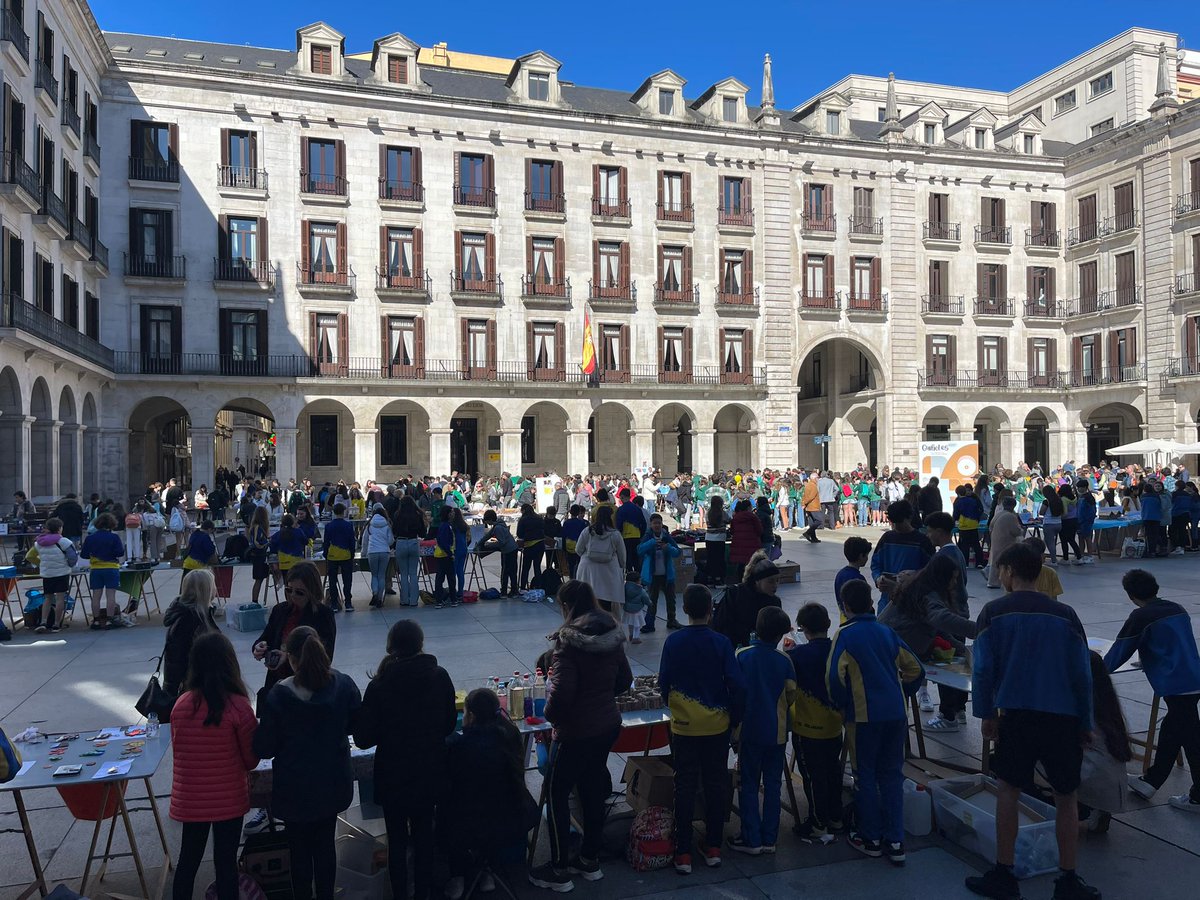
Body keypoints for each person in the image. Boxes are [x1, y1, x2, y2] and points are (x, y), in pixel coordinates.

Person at [967, 541, 1098, 900]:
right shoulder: (1066, 615)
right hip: (1062, 718)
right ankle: (1068, 879)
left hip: (1017, 717)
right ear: (1039, 572)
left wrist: (986, 714)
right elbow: (1082, 675)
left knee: (1008, 790)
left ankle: (1004, 874)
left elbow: (982, 671)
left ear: (1008, 573)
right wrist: (1086, 721)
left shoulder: (993, 613)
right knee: (1066, 796)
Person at [530, 580, 633, 892]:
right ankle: (589, 859)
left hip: (575, 730)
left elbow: (561, 697)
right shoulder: (612, 635)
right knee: (591, 790)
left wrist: (550, 715)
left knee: (556, 793)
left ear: (566, 606)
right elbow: (625, 679)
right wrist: (602, 697)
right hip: (606, 724)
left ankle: (559, 868)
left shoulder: (568, 644)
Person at [253, 625, 362, 900]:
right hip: (332, 782)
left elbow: (264, 748)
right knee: (325, 846)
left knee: (298, 852)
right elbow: (357, 726)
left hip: (295, 788)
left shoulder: (279, 694)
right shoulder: (343, 684)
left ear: (290, 658)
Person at [353, 620, 456, 900]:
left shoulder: (380, 685)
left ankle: (400, 893)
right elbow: (449, 724)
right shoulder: (439, 676)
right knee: (425, 836)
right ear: (420, 644)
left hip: (394, 774)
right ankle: (424, 892)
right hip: (430, 770)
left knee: (396, 840)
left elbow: (363, 739)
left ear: (391, 647)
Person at [827, 579, 924, 866]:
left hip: (863, 717)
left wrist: (843, 705)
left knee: (864, 775)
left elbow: (833, 679)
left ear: (845, 606)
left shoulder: (844, 636)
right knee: (892, 775)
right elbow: (915, 669)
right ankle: (895, 840)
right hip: (895, 714)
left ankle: (870, 837)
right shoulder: (887, 632)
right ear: (871, 602)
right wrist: (901, 693)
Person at [658, 584, 745, 874]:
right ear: (711, 610)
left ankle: (682, 851)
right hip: (716, 725)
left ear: (684, 609)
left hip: (684, 727)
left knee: (684, 784)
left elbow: (664, 682)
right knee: (715, 783)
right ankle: (713, 846)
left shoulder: (674, 642)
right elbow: (736, 684)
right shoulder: (721, 643)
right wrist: (734, 718)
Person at [169, 632, 258, 900]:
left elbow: (181, 752)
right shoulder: (239, 706)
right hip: (228, 799)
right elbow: (251, 759)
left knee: (188, 862)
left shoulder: (181, 705)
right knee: (225, 864)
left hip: (191, 799)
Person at [1106, 568, 1200, 813]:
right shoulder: (1176, 608)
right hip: (1193, 677)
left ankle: (1198, 796)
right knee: (1174, 731)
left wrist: (1096, 669)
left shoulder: (1141, 616)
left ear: (1131, 595)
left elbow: (1120, 651)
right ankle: (1151, 781)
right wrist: (1149, 656)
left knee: (1192, 740)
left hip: (1174, 683)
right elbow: (1171, 642)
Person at [440, 688, 539, 899]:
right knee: (490, 806)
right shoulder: (510, 740)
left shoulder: (458, 747)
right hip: (513, 819)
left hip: (470, 825)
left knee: (449, 810)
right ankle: (487, 870)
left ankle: (458, 874)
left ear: (471, 716)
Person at [879, 553, 975, 732]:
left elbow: (937, 628)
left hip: (887, 643)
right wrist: (979, 629)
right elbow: (941, 619)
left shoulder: (919, 586)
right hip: (891, 648)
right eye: (952, 579)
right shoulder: (928, 594)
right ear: (941, 577)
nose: (954, 584)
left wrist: (961, 648)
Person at [730, 606, 797, 855]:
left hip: (749, 731)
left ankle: (751, 837)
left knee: (748, 784)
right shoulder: (784, 660)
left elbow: (734, 691)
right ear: (780, 635)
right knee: (772, 784)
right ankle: (770, 837)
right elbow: (791, 693)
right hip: (776, 732)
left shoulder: (742, 655)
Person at [788, 602, 844, 839]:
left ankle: (818, 822)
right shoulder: (837, 650)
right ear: (828, 624)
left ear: (802, 629)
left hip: (807, 728)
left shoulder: (797, 655)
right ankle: (836, 816)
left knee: (812, 777)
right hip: (833, 727)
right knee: (833, 771)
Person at [252, 561, 337, 710]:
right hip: (276, 685)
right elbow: (267, 636)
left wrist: (289, 657)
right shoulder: (280, 610)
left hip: (306, 687)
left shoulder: (323, 615)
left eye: (299, 592)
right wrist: (260, 646)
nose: (292, 596)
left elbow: (326, 656)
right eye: (288, 590)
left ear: (312, 591)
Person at [162, 569, 219, 700]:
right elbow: (178, 659)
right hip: (192, 690)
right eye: (213, 585)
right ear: (206, 590)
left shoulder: (200, 614)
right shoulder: (189, 620)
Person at [869, 500, 934, 612]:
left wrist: (914, 576)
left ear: (909, 518)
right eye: (894, 522)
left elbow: (932, 570)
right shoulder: (887, 538)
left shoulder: (922, 541)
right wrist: (878, 578)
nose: (896, 526)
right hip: (887, 601)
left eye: (900, 522)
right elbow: (875, 564)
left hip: (913, 602)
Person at [713, 551, 783, 649]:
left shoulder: (774, 602)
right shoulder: (735, 594)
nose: (775, 585)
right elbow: (721, 624)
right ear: (757, 580)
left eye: (777, 580)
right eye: (770, 581)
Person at [25, 518, 77, 635]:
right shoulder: (64, 542)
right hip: (62, 573)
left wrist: (41, 564)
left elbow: (29, 556)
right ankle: (56, 624)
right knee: (60, 598)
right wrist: (69, 565)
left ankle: (43, 622)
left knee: (47, 598)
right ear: (59, 529)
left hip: (47, 574)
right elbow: (72, 558)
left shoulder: (39, 542)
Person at [574, 505, 626, 614]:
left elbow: (578, 549)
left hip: (588, 569)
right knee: (606, 602)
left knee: (589, 600)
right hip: (609, 571)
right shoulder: (615, 534)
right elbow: (622, 557)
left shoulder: (587, 531)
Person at [81, 513, 126, 630]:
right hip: (111, 568)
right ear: (112, 524)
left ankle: (96, 620)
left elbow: (84, 555)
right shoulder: (114, 537)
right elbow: (120, 552)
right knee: (110, 595)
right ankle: (110, 620)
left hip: (96, 569)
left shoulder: (90, 538)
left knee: (96, 595)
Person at [638, 513, 682, 632]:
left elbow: (677, 552)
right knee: (652, 600)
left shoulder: (667, 536)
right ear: (651, 524)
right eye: (655, 523)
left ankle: (672, 620)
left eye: (659, 523)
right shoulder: (647, 536)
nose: (657, 525)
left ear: (662, 524)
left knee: (671, 599)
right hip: (653, 575)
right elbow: (640, 550)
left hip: (667, 574)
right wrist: (652, 543)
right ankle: (650, 623)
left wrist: (668, 548)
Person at [391, 495, 427, 608]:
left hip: (401, 542)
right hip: (413, 542)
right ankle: (414, 601)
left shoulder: (397, 515)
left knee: (404, 574)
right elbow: (423, 533)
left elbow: (394, 531)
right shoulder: (417, 515)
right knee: (413, 573)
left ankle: (404, 599)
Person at [320, 503, 356, 612]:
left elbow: (326, 542)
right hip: (346, 555)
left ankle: (334, 604)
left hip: (332, 555)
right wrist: (352, 553)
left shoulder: (329, 526)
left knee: (332, 580)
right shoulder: (349, 525)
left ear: (334, 512)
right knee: (347, 580)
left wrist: (326, 553)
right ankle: (348, 603)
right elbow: (352, 541)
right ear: (344, 512)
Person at [479, 509, 519, 597]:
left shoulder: (497, 528)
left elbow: (502, 542)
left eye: (486, 520)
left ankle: (505, 591)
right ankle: (514, 590)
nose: (486, 522)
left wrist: (489, 545)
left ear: (490, 519)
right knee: (512, 571)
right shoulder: (499, 524)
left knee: (506, 571)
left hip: (509, 550)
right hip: (512, 548)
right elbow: (488, 535)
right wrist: (480, 542)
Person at [986, 496, 1023, 590]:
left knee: (995, 561)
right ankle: (1003, 580)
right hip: (1006, 541)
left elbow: (991, 526)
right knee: (1006, 562)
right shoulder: (1011, 516)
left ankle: (992, 581)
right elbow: (1016, 531)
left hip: (995, 539)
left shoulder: (999, 513)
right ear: (1013, 506)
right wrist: (1021, 530)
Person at [362, 503, 394, 608]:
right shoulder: (387, 524)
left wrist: (363, 552)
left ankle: (375, 593)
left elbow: (365, 540)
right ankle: (380, 598)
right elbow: (390, 541)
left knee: (374, 575)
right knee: (381, 575)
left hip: (372, 551)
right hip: (384, 551)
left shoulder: (369, 524)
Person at [835, 536, 871, 623]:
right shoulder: (858, 580)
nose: (867, 558)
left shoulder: (840, 574)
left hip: (844, 619)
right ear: (861, 556)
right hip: (857, 621)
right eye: (866, 555)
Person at [728, 499, 764, 584]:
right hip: (752, 544)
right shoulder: (753, 517)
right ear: (748, 507)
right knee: (752, 564)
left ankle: (740, 582)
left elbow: (732, 531)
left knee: (741, 565)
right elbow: (759, 530)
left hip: (738, 544)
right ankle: (751, 582)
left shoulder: (735, 518)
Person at [952, 484, 985, 568]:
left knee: (964, 546)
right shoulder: (973, 500)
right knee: (976, 544)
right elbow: (980, 509)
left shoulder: (958, 502)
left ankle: (965, 563)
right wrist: (976, 518)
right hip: (974, 525)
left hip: (963, 525)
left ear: (958, 493)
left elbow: (956, 514)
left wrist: (954, 521)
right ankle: (979, 563)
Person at [516, 503, 546, 591]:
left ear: (523, 510)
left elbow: (519, 534)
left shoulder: (523, 519)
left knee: (526, 568)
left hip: (529, 546)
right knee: (537, 567)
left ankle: (523, 587)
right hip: (540, 544)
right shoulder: (539, 518)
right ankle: (539, 587)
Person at [616, 495, 648, 575]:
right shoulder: (637, 509)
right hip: (636, 536)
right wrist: (641, 534)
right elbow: (643, 523)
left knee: (627, 558)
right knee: (636, 558)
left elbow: (619, 524)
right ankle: (638, 575)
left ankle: (630, 575)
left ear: (623, 498)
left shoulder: (621, 509)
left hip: (625, 536)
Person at [705, 494, 729, 581]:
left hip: (709, 538)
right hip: (720, 538)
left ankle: (710, 577)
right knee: (719, 559)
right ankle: (718, 578)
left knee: (710, 558)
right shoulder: (723, 513)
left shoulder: (708, 513)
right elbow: (729, 520)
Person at [622, 573, 650, 644]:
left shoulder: (624, 588)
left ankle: (631, 635)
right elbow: (646, 598)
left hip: (627, 609)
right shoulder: (640, 590)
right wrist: (650, 603)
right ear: (637, 581)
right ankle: (636, 637)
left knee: (630, 623)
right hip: (637, 610)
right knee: (637, 625)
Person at [561, 504, 588, 579]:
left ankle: (571, 579)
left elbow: (563, 535)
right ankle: (579, 578)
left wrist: (563, 547)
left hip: (569, 546)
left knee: (571, 564)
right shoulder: (582, 523)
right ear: (578, 512)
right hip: (579, 546)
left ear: (570, 512)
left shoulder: (566, 523)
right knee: (579, 564)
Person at [801, 476, 822, 543]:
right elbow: (811, 496)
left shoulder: (808, 485)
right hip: (814, 507)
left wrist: (803, 503)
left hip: (809, 507)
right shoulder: (813, 486)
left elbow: (804, 495)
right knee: (819, 521)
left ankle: (813, 538)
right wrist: (804, 502)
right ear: (814, 478)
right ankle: (807, 532)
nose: (818, 479)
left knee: (812, 522)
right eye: (817, 478)